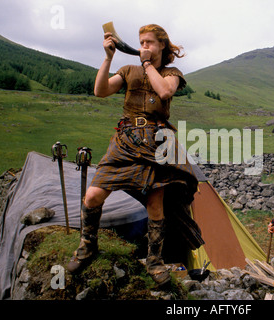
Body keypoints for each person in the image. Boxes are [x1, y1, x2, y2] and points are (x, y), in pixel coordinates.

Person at [66, 24, 203, 285]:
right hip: (126, 139)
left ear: (162, 44)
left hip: (157, 141)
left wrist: (149, 65)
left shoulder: (172, 73)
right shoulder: (129, 70)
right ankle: (88, 246)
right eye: (141, 42)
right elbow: (101, 91)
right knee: (93, 195)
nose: (144, 47)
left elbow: (164, 92)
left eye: (149, 42)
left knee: (155, 202)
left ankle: (154, 260)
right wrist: (108, 58)